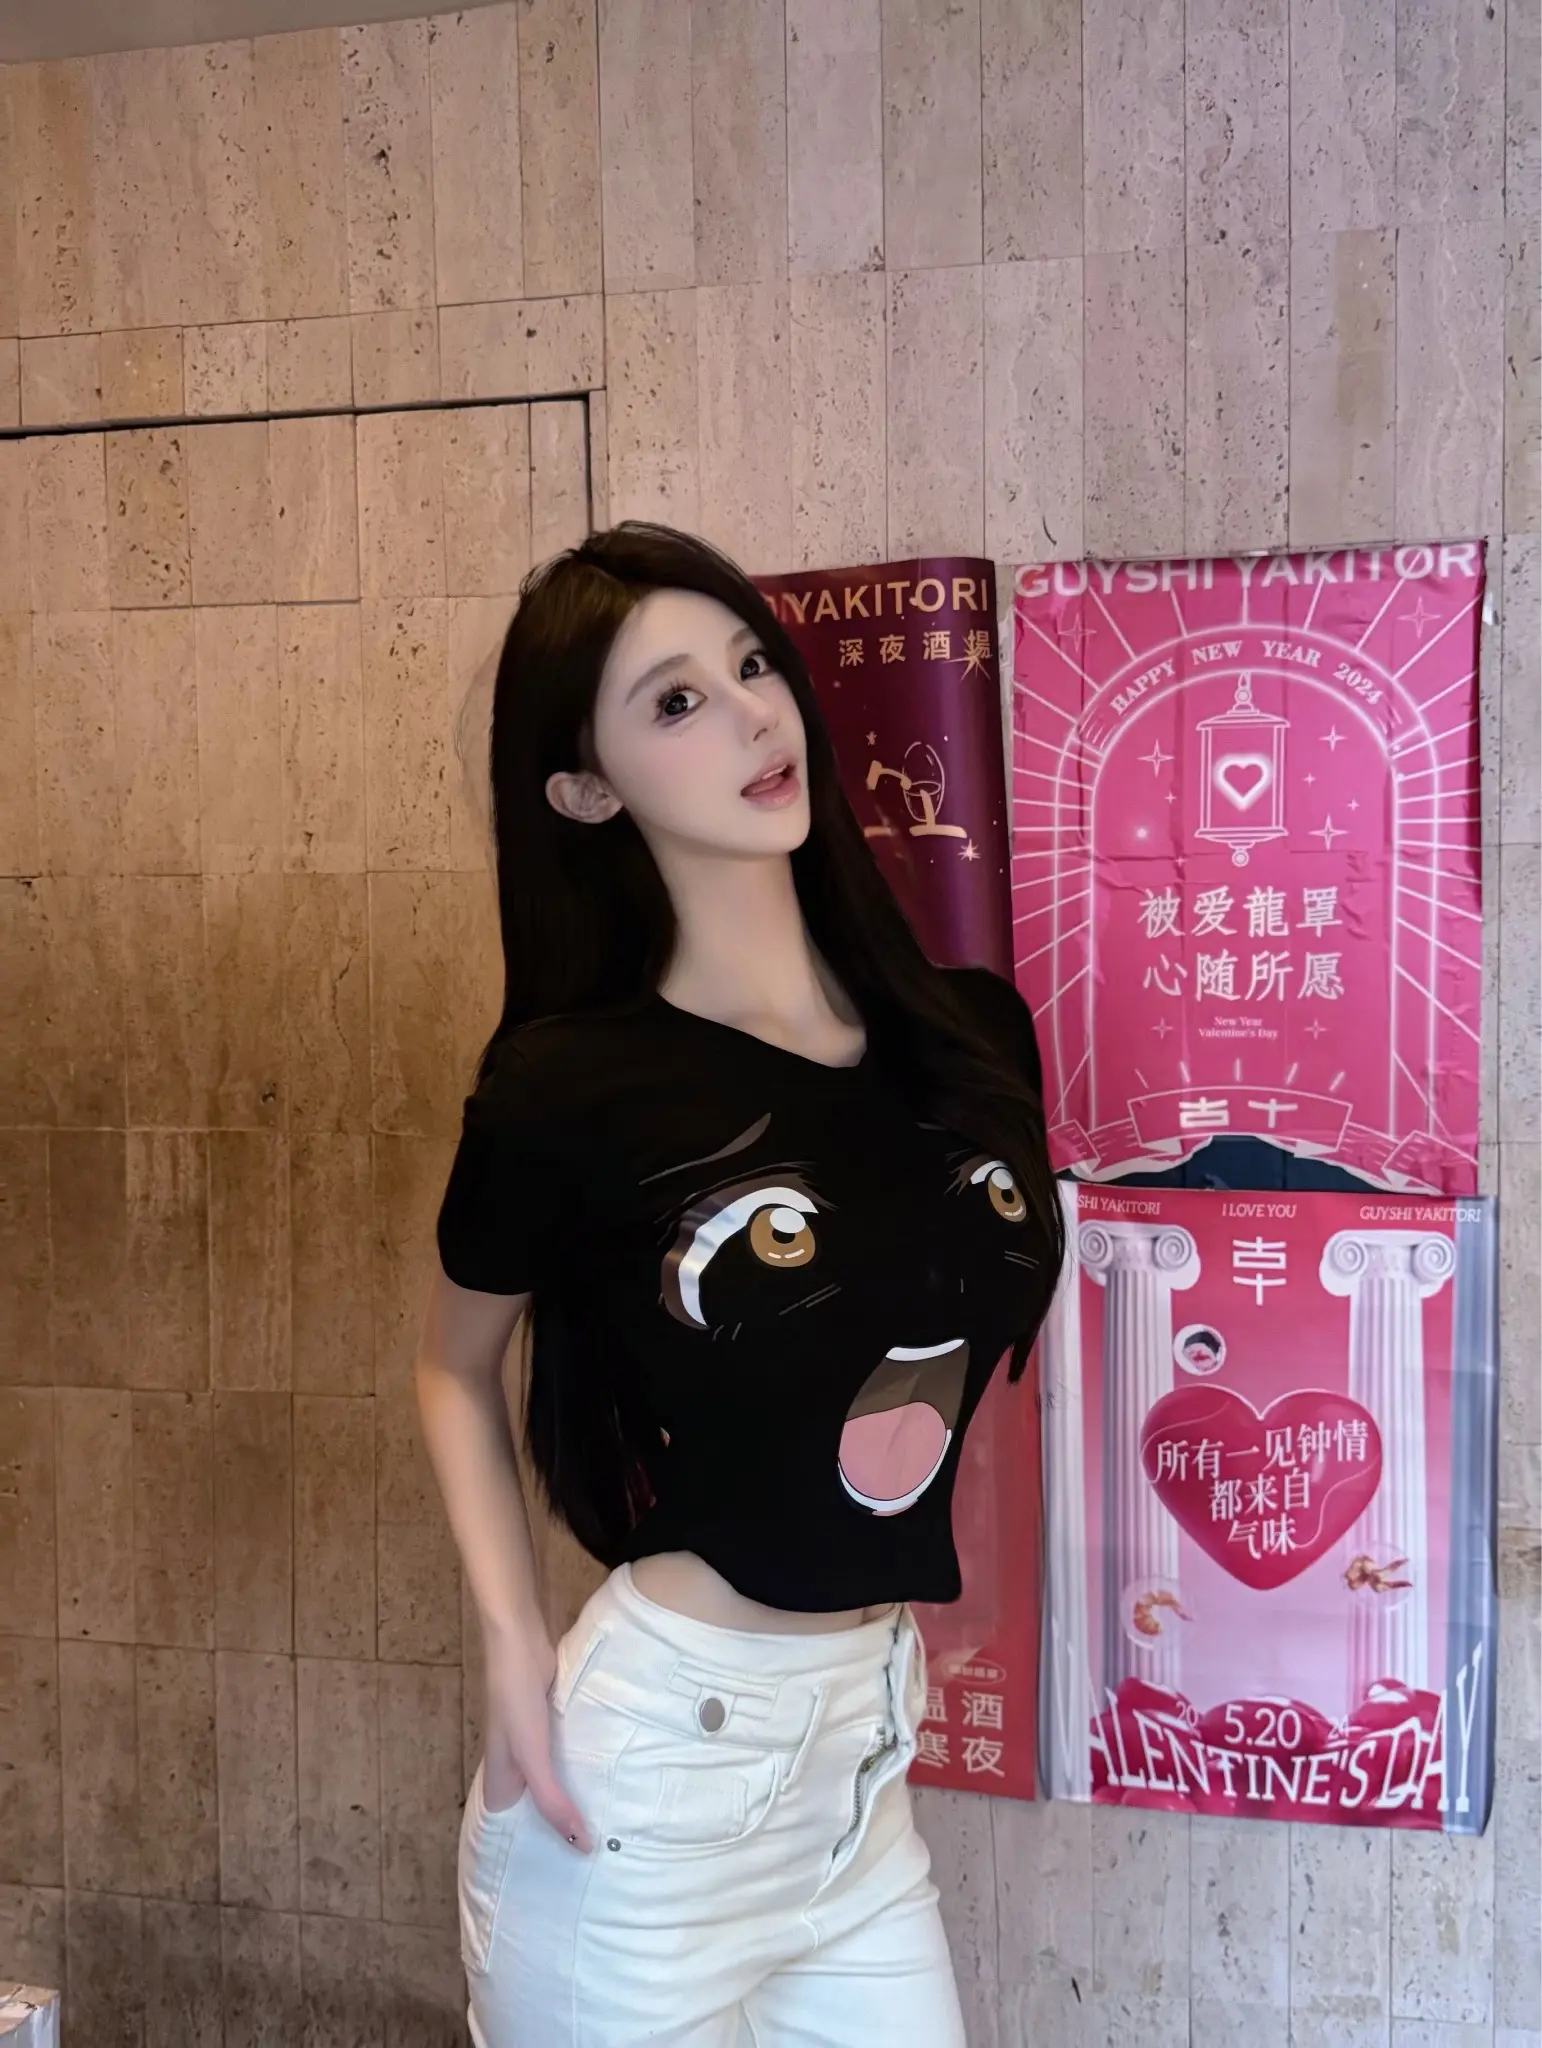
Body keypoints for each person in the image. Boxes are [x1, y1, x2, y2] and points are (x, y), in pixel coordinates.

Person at [415, 523, 1063, 2047]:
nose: (752, 716)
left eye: (751, 665)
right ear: (586, 789)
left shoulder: (969, 1038)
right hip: (651, 1776)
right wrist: (512, 1649)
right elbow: (451, 1365)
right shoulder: (571, 1088)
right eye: (675, 702)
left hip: (859, 1770)